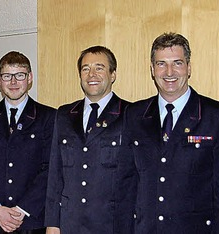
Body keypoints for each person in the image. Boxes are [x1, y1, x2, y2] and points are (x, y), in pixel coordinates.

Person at [125, 32, 219, 233]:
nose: (169, 72)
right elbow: (127, 180)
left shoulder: (217, 115)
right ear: (152, 69)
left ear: (189, 67)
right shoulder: (134, 114)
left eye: (177, 63)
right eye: (161, 64)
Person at [44, 46, 135, 233]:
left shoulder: (131, 114)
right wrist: (52, 223)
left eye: (99, 68)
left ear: (113, 74)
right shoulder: (64, 115)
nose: (91, 74)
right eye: (85, 69)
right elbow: (55, 174)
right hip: (70, 224)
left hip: (113, 224)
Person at [0, 51, 55, 233]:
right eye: (7, 76)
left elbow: (50, 168)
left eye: (20, 75)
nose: (14, 82)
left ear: (30, 78)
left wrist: (21, 210)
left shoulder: (49, 117)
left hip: (32, 219)